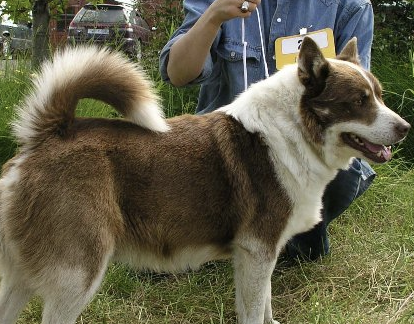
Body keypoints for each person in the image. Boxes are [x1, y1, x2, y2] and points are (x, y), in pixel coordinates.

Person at [159, 0, 376, 262]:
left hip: (307, 147)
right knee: (156, 260)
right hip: (226, 153)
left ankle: (293, 243)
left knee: (346, 167)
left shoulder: (350, 6)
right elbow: (178, 73)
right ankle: (222, 238)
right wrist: (214, 15)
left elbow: (356, 97)